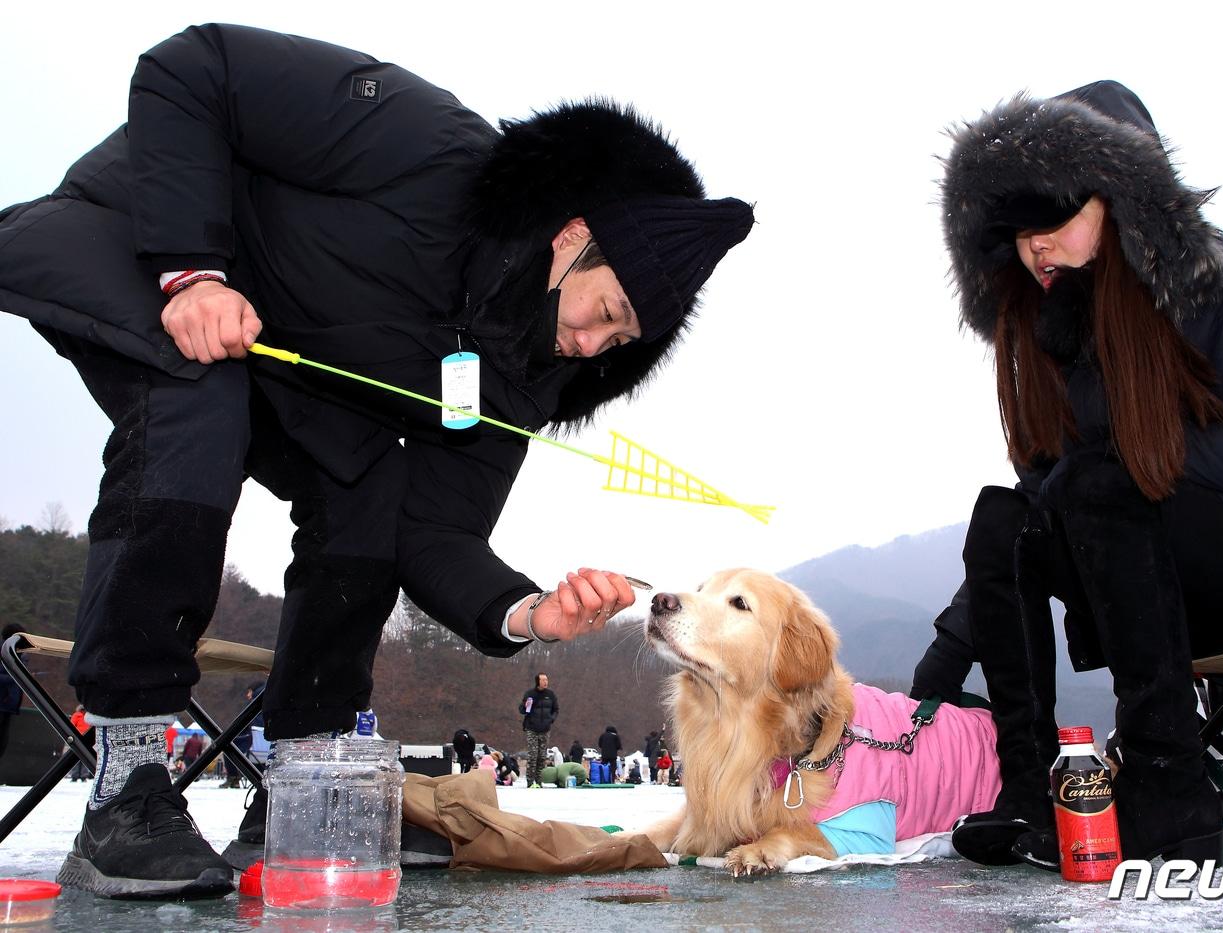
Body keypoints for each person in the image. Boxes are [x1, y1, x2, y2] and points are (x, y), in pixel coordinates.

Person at [0, 24, 751, 899]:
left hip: (271, 351)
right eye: (603, 308)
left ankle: (299, 786)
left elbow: (432, 529)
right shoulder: (427, 147)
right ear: (571, 237)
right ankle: (127, 780)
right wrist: (193, 272)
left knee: (364, 486)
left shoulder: (523, 376)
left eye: (619, 338)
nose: (591, 344)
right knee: (200, 398)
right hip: (137, 232)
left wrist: (528, 611)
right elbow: (192, 66)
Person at [938, 81, 1223, 871]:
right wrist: (948, 656)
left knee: (1100, 484)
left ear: (1125, 201)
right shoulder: (1058, 349)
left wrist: (1135, 457)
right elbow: (1045, 512)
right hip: (1165, 576)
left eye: (1050, 218)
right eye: (1014, 232)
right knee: (1004, 516)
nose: (1033, 247)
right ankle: (1033, 790)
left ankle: (1169, 794)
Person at [520, 673, 559, 788]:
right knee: (533, 755)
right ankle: (530, 781)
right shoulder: (530, 694)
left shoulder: (551, 695)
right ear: (538, 681)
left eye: (546, 680)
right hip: (532, 728)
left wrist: (551, 719)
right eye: (543, 680)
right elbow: (522, 710)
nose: (545, 682)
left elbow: (556, 710)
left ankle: (539, 780)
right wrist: (525, 706)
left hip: (545, 729)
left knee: (542, 757)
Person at [0, 624, 26, 760]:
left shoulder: (19, 654)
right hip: (2, 703)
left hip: (9, 706)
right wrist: (15, 678)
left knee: (2, 743)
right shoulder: (4, 651)